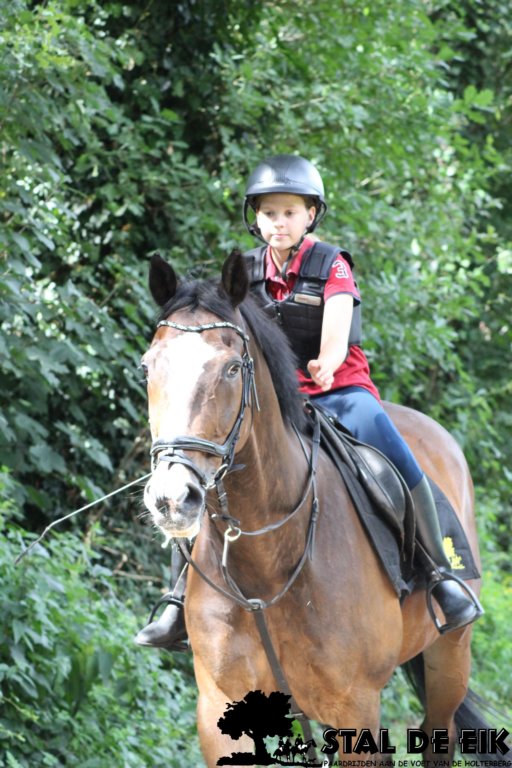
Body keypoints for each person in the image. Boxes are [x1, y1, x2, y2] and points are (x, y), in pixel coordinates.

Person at [135, 154, 482, 650]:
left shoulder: (332, 264)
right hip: (276, 399)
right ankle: (176, 599)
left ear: (310, 215)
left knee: (392, 455)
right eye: (269, 213)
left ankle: (441, 572)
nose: (278, 222)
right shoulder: (242, 273)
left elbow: (337, 329)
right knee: (200, 466)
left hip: (337, 389)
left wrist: (326, 361)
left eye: (290, 212)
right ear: (255, 218)